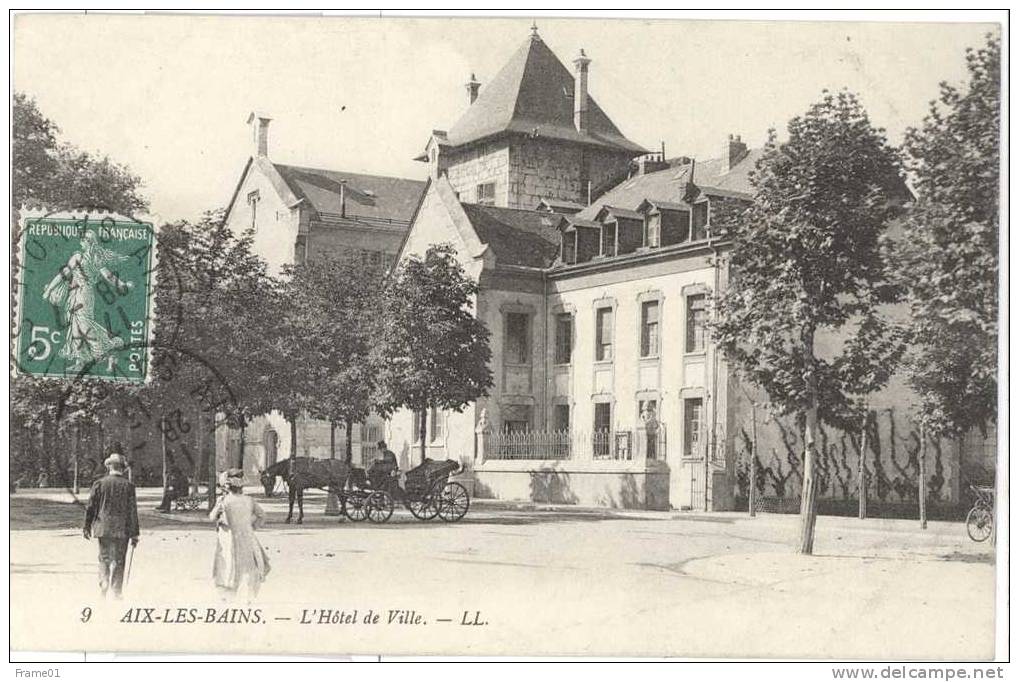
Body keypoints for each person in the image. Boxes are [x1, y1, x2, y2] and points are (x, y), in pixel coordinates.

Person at [83, 453, 140, 599]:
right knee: (119, 559)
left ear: (109, 467)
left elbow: (90, 507)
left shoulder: (99, 484)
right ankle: (116, 591)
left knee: (104, 557)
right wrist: (135, 533)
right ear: (122, 468)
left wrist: (86, 526)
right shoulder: (128, 486)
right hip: (123, 529)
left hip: (103, 528)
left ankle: (103, 582)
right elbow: (132, 511)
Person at [209, 468, 270, 601]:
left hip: (229, 538)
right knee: (250, 566)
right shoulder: (249, 500)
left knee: (228, 566)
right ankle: (249, 598)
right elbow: (262, 516)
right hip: (247, 536)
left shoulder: (224, 501)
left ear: (227, 486)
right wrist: (251, 526)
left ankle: (228, 597)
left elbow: (212, 517)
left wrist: (219, 508)